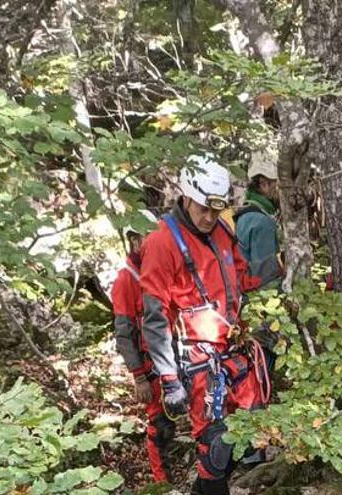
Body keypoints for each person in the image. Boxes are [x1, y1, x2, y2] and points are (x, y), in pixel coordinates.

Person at [140, 154, 267, 495]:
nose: (210, 218)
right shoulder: (161, 243)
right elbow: (154, 317)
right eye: (203, 210)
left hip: (235, 350)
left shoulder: (222, 231)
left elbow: (241, 279)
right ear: (186, 196)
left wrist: (275, 278)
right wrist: (168, 379)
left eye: (216, 209)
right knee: (215, 446)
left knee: (253, 434)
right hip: (199, 360)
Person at [112, 225, 175, 483]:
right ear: (134, 241)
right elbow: (124, 333)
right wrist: (139, 377)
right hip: (150, 367)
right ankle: (162, 481)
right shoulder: (126, 280)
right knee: (159, 424)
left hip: (171, 356)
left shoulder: (157, 270)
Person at [235, 149, 281, 288]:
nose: (280, 190)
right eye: (277, 184)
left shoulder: (247, 214)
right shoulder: (262, 223)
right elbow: (266, 277)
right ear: (263, 184)